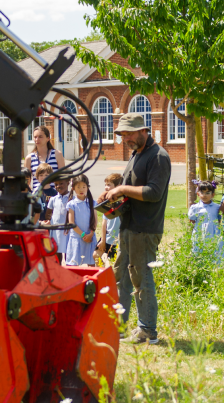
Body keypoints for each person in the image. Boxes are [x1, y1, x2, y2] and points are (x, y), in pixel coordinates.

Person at [97, 113, 171, 345]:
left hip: (145, 228)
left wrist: (123, 190)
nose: (125, 138)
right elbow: (128, 189)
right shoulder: (136, 154)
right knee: (122, 277)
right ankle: (118, 327)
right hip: (128, 226)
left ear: (143, 130)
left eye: (128, 133)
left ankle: (148, 330)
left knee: (141, 279)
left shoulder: (158, 156)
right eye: (122, 134)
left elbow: (153, 193)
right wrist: (110, 196)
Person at [187, 179, 224, 261]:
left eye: (207, 193)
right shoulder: (195, 207)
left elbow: (219, 221)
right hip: (200, 235)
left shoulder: (217, 207)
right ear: (198, 194)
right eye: (202, 193)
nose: (204, 195)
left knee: (215, 255)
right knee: (199, 255)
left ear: (213, 195)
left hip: (214, 235)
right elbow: (191, 222)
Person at [65, 174, 97, 266]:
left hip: (90, 237)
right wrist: (83, 235)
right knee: (73, 264)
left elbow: (95, 221)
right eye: (78, 187)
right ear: (73, 188)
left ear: (87, 187)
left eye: (84, 186)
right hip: (76, 238)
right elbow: (71, 223)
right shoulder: (72, 204)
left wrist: (91, 233)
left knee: (91, 264)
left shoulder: (93, 203)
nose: (81, 189)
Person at [24, 126, 65, 193]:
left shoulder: (57, 154)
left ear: (48, 138)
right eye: (35, 137)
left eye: (40, 137)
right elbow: (26, 181)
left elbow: (62, 178)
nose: (37, 139)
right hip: (37, 197)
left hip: (54, 195)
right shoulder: (29, 158)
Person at [43, 179, 72, 263]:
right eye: (56, 184)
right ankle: (57, 271)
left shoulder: (72, 198)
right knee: (56, 251)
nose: (58, 186)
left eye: (61, 183)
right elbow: (48, 214)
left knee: (68, 252)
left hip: (68, 230)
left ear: (68, 183)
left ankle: (69, 270)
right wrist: (48, 220)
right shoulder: (53, 199)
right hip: (56, 230)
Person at [96, 173, 124, 263]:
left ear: (118, 187)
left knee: (114, 261)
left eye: (109, 185)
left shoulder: (122, 202)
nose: (106, 187)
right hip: (107, 237)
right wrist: (103, 240)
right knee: (95, 255)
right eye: (105, 185)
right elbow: (104, 223)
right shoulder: (107, 202)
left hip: (117, 240)